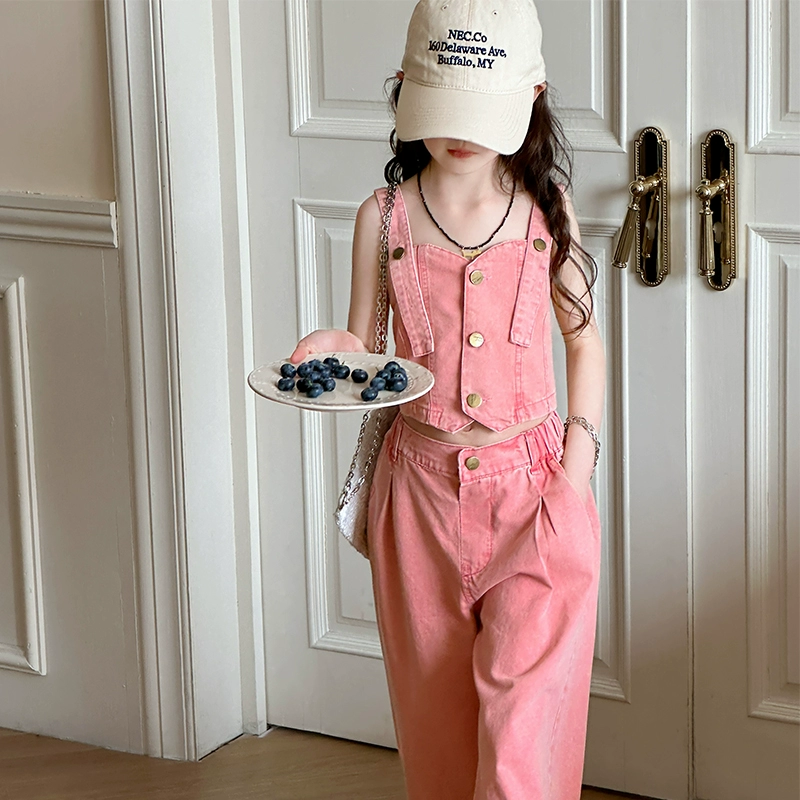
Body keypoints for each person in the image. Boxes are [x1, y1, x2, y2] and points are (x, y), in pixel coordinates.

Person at [290, 1, 605, 797]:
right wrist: (331, 349)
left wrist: (573, 478)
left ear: (531, 97)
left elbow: (584, 343)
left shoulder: (546, 210)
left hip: (535, 501)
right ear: (405, 90)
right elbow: (367, 348)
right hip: (417, 507)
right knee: (436, 746)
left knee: (521, 757)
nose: (459, 134)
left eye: (479, 111)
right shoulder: (384, 216)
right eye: (441, 109)